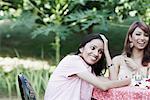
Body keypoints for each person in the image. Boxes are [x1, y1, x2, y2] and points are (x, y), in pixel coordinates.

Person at [44, 33, 131, 100]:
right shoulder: (73, 61)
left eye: (100, 51)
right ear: (81, 48)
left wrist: (107, 52)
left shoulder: (89, 69)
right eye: (93, 48)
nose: (96, 54)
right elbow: (103, 86)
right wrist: (130, 81)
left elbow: (113, 81)